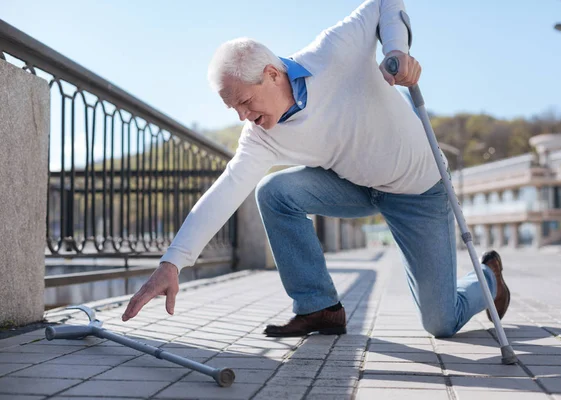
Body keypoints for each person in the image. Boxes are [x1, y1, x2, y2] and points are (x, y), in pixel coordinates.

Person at [121, 0, 511, 338]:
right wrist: (172, 263)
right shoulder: (259, 136)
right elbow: (224, 191)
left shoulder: (332, 52)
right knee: (273, 192)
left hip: (420, 190)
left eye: (244, 101)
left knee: (441, 322)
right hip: (356, 186)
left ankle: (489, 278)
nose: (243, 116)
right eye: (233, 110)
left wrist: (396, 48)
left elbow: (384, 3)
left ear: (272, 75)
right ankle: (318, 307)